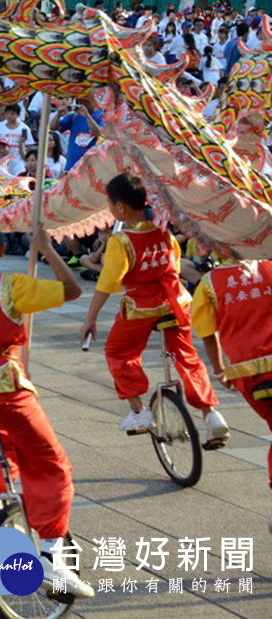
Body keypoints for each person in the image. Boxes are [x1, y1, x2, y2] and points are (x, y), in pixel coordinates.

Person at [0, 217, 94, 600]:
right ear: (0, 250)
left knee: (12, 442)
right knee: (53, 465)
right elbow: (72, 289)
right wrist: (44, 248)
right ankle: (50, 556)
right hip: (6, 386)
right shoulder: (11, 285)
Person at [80, 173, 228, 443]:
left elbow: (107, 282)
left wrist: (90, 319)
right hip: (177, 302)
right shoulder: (164, 231)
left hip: (141, 307)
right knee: (188, 358)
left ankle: (139, 411)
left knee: (119, 352)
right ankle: (211, 414)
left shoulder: (121, 241)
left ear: (121, 207)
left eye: (110, 204)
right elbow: (175, 263)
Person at [191, 259, 272, 531]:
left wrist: (219, 372)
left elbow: (207, 334)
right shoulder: (269, 267)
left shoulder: (210, 282)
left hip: (246, 374)